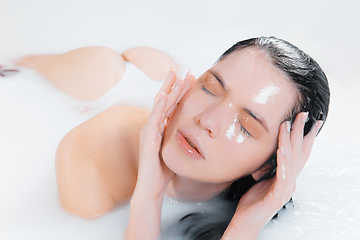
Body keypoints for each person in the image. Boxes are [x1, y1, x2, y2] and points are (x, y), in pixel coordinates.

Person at [29, 36, 329, 240]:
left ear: (267, 166)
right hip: (100, 87)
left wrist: (246, 225)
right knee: (100, 66)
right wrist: (147, 197)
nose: (207, 119)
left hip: (151, 83)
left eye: (246, 126)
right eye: (210, 87)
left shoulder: (257, 200)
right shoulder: (89, 162)